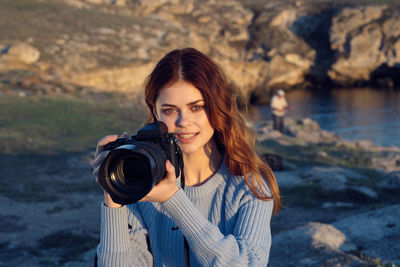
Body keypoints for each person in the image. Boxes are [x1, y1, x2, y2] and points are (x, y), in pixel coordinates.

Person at [92, 48, 280, 266]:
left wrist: (173, 199)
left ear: (218, 107)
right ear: (155, 111)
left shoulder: (249, 185)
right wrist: (114, 195)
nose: (183, 121)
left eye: (197, 107)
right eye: (170, 110)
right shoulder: (141, 180)